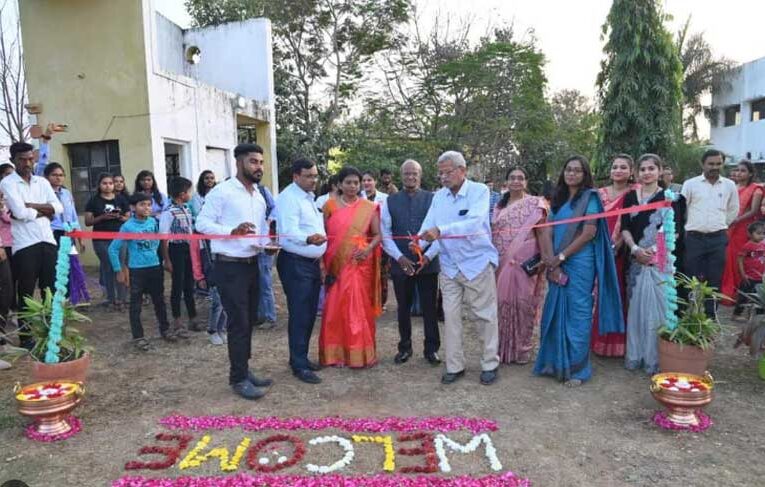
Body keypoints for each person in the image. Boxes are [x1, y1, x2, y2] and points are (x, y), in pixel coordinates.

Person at [534, 155, 624, 386]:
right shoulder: (558, 198)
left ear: (585, 175)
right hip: (556, 262)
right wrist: (549, 259)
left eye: (577, 170)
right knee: (553, 311)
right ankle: (553, 363)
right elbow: (548, 229)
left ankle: (577, 370)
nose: (571, 174)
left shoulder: (590, 198)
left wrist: (561, 256)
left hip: (580, 261)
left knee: (578, 313)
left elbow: (588, 233)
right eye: (568, 169)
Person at [196, 143, 274, 400]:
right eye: (253, 162)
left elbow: (259, 231)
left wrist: (268, 245)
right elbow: (202, 224)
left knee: (249, 319)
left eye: (261, 162)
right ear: (239, 163)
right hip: (230, 266)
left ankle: (244, 369)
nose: (259, 167)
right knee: (238, 322)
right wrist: (232, 230)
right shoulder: (222, 191)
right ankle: (238, 378)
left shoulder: (259, 195)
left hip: (253, 264)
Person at [417, 151, 500, 385]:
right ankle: (454, 365)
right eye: (440, 173)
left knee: (484, 316)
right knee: (451, 318)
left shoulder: (479, 191)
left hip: (476, 264)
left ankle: (490, 363)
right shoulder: (439, 197)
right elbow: (429, 227)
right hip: (449, 267)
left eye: (448, 172)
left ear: (462, 170)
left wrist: (440, 232)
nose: (443, 177)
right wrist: (419, 248)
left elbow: (473, 223)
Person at [620, 154, 686, 374]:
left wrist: (653, 252)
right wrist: (636, 250)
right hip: (636, 260)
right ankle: (636, 354)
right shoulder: (630, 197)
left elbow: (673, 231)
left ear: (659, 171)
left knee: (657, 309)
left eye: (651, 169)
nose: (647, 173)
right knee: (637, 308)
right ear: (637, 173)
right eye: (643, 169)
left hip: (659, 262)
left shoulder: (670, 197)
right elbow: (625, 228)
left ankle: (657, 358)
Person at [0, 142, 63, 349]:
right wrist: (46, 210)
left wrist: (34, 206)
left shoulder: (42, 182)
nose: (27, 163)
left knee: (50, 289)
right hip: (25, 244)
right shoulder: (8, 183)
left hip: (48, 239)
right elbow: (19, 212)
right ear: (13, 160)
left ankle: (50, 331)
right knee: (26, 292)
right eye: (22, 160)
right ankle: (26, 336)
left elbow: (59, 207)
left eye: (30, 159)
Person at [319, 165, 382, 368]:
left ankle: (359, 355)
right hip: (335, 265)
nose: (353, 186)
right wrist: (322, 263)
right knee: (335, 307)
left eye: (357, 182)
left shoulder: (368, 207)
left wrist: (368, 249)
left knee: (358, 309)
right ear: (339, 184)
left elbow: (377, 235)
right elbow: (324, 235)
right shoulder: (329, 206)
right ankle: (335, 355)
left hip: (358, 263)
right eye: (348, 182)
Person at [381, 159, 441, 366]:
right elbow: (385, 234)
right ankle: (405, 347)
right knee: (403, 307)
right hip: (401, 263)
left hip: (428, 263)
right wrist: (399, 257)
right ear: (401, 175)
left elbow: (440, 233)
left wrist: (428, 256)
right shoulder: (390, 201)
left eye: (414, 173)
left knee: (430, 308)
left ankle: (431, 349)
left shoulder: (433, 199)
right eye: (407, 174)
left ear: (420, 175)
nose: (410, 177)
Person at [275, 158, 328, 384]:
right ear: (296, 176)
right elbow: (287, 232)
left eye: (315, 176)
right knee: (300, 314)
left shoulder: (308, 198)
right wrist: (308, 239)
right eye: (309, 176)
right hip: (295, 262)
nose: (314, 180)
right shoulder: (289, 198)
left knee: (308, 314)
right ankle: (299, 364)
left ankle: (301, 358)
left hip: (311, 263)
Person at [492, 167, 547, 365]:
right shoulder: (498, 206)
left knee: (524, 303)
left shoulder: (535, 204)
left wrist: (545, 259)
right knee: (501, 303)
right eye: (512, 178)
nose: (516, 181)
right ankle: (502, 348)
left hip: (526, 261)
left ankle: (522, 349)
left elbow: (542, 233)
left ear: (526, 181)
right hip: (501, 261)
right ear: (506, 182)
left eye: (520, 178)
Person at [109, 193, 174, 351]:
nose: (146, 208)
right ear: (133, 207)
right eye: (142, 205)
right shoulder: (128, 226)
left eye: (148, 204)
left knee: (159, 301)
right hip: (137, 271)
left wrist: (165, 260)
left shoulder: (153, 222)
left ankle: (165, 329)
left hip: (155, 268)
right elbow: (113, 249)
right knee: (136, 305)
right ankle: (138, 336)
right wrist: (119, 270)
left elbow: (159, 243)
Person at [682, 149, 739, 317]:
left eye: (718, 164)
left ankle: (709, 319)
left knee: (714, 280)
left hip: (718, 239)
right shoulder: (690, 184)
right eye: (711, 164)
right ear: (703, 164)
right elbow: (682, 209)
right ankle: (689, 315)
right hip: (694, 239)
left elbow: (734, 209)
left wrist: (721, 224)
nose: (715, 167)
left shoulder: (729, 185)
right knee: (690, 279)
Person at [592, 154, 635, 357]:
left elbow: (634, 222)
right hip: (596, 247)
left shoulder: (635, 194)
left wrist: (617, 244)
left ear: (631, 172)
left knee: (616, 291)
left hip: (620, 250)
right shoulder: (598, 194)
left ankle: (616, 342)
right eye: (615, 167)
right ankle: (596, 339)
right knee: (597, 291)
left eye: (623, 167)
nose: (618, 170)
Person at [160, 177, 200, 338]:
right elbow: (163, 237)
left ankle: (193, 318)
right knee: (177, 285)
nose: (191, 194)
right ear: (182, 194)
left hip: (187, 249)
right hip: (175, 249)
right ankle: (177, 321)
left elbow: (191, 231)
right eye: (189, 191)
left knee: (189, 285)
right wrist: (167, 259)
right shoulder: (168, 212)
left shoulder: (187, 209)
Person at [721, 160, 763, 308]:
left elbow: (753, 210)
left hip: (744, 229)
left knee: (742, 259)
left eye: (743, 171)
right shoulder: (731, 187)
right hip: (729, 227)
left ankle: (743, 294)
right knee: (729, 258)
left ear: (751, 173)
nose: (739, 173)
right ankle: (729, 292)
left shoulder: (756, 189)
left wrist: (736, 219)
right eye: (737, 170)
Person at [85, 173, 130, 310]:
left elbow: (128, 217)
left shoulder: (121, 199)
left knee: (121, 265)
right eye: (104, 183)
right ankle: (110, 298)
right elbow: (88, 221)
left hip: (119, 237)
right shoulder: (93, 201)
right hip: (101, 239)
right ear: (99, 185)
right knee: (108, 267)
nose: (108, 186)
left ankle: (122, 298)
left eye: (110, 183)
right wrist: (102, 217)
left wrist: (120, 217)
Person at [362, 171, 389, 309]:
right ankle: (365, 300)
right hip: (362, 244)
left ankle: (381, 301)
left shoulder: (385, 198)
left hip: (382, 242)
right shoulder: (357, 198)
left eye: (369, 180)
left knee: (382, 273)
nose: (366, 183)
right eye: (364, 180)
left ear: (375, 182)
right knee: (365, 273)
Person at [256, 183, 277, 329]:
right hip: (252, 244)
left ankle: (270, 317)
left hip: (264, 243)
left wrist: (268, 221)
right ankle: (260, 315)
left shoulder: (263, 190)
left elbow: (274, 209)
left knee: (265, 281)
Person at [733, 221, 765, 319]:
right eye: (758, 233)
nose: (761, 236)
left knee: (759, 297)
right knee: (743, 297)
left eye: (763, 233)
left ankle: (756, 317)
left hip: (760, 277)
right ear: (750, 234)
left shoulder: (763, 245)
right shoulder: (748, 246)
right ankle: (736, 314)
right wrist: (743, 274)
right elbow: (740, 260)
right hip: (749, 277)